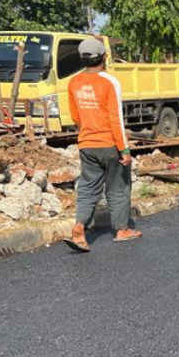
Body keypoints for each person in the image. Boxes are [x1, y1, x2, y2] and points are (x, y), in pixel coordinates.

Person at [63, 37, 141, 252]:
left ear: (82, 58)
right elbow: (116, 119)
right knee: (118, 186)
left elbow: (75, 117)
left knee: (88, 188)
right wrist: (124, 149)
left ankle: (80, 227)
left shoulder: (74, 82)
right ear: (104, 57)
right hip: (109, 144)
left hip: (86, 144)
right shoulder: (109, 82)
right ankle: (122, 230)